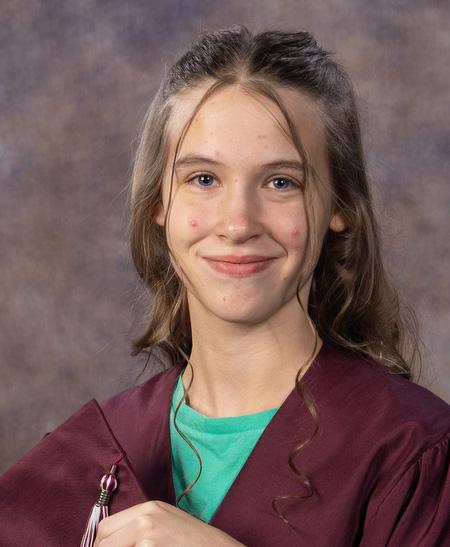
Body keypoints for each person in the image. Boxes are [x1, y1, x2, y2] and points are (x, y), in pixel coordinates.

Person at [0, 25, 449, 547]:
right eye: (204, 179)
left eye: (281, 182)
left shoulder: (414, 451)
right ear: (158, 203)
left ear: (340, 206)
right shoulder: (90, 458)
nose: (238, 224)